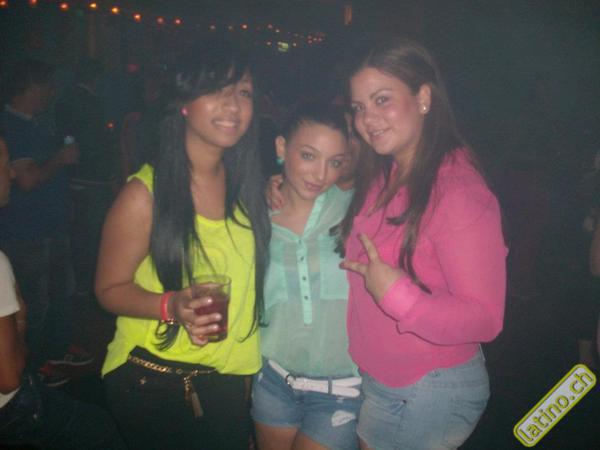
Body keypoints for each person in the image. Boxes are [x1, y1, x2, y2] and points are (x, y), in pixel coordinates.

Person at [96, 39, 270, 450]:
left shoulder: (249, 191)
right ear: (185, 104)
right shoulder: (145, 194)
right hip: (154, 379)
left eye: (244, 92)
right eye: (216, 89)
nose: (233, 105)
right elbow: (108, 289)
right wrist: (170, 306)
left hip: (226, 379)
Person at [340, 39, 507, 450]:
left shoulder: (457, 190)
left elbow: (486, 318)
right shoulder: (388, 172)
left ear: (424, 98)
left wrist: (398, 295)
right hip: (386, 380)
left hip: (428, 388)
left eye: (382, 100)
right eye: (359, 107)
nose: (367, 119)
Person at [0, 134, 126, 450]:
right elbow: (9, 378)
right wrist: (19, 320)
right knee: (102, 431)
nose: (12, 173)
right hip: (10, 410)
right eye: (4, 165)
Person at [251, 103, 361, 450]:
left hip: (341, 389)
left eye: (335, 162)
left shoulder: (355, 208)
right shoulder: (254, 213)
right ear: (282, 147)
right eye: (309, 156)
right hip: (273, 381)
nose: (321, 174)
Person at [0, 59, 92, 387]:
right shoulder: (10, 125)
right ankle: (34, 367)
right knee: (35, 303)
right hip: (27, 231)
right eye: (48, 86)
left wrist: (65, 205)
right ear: (32, 87)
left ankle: (55, 350)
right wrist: (61, 158)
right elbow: (27, 180)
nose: (52, 92)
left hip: (51, 224)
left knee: (61, 293)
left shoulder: (37, 123)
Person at [54, 57, 117, 300]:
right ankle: (91, 287)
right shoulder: (92, 103)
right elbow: (100, 143)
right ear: (96, 78)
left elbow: (65, 137)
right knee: (93, 234)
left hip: (72, 176)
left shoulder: (63, 100)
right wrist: (110, 175)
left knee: (79, 233)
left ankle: (81, 285)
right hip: (93, 178)